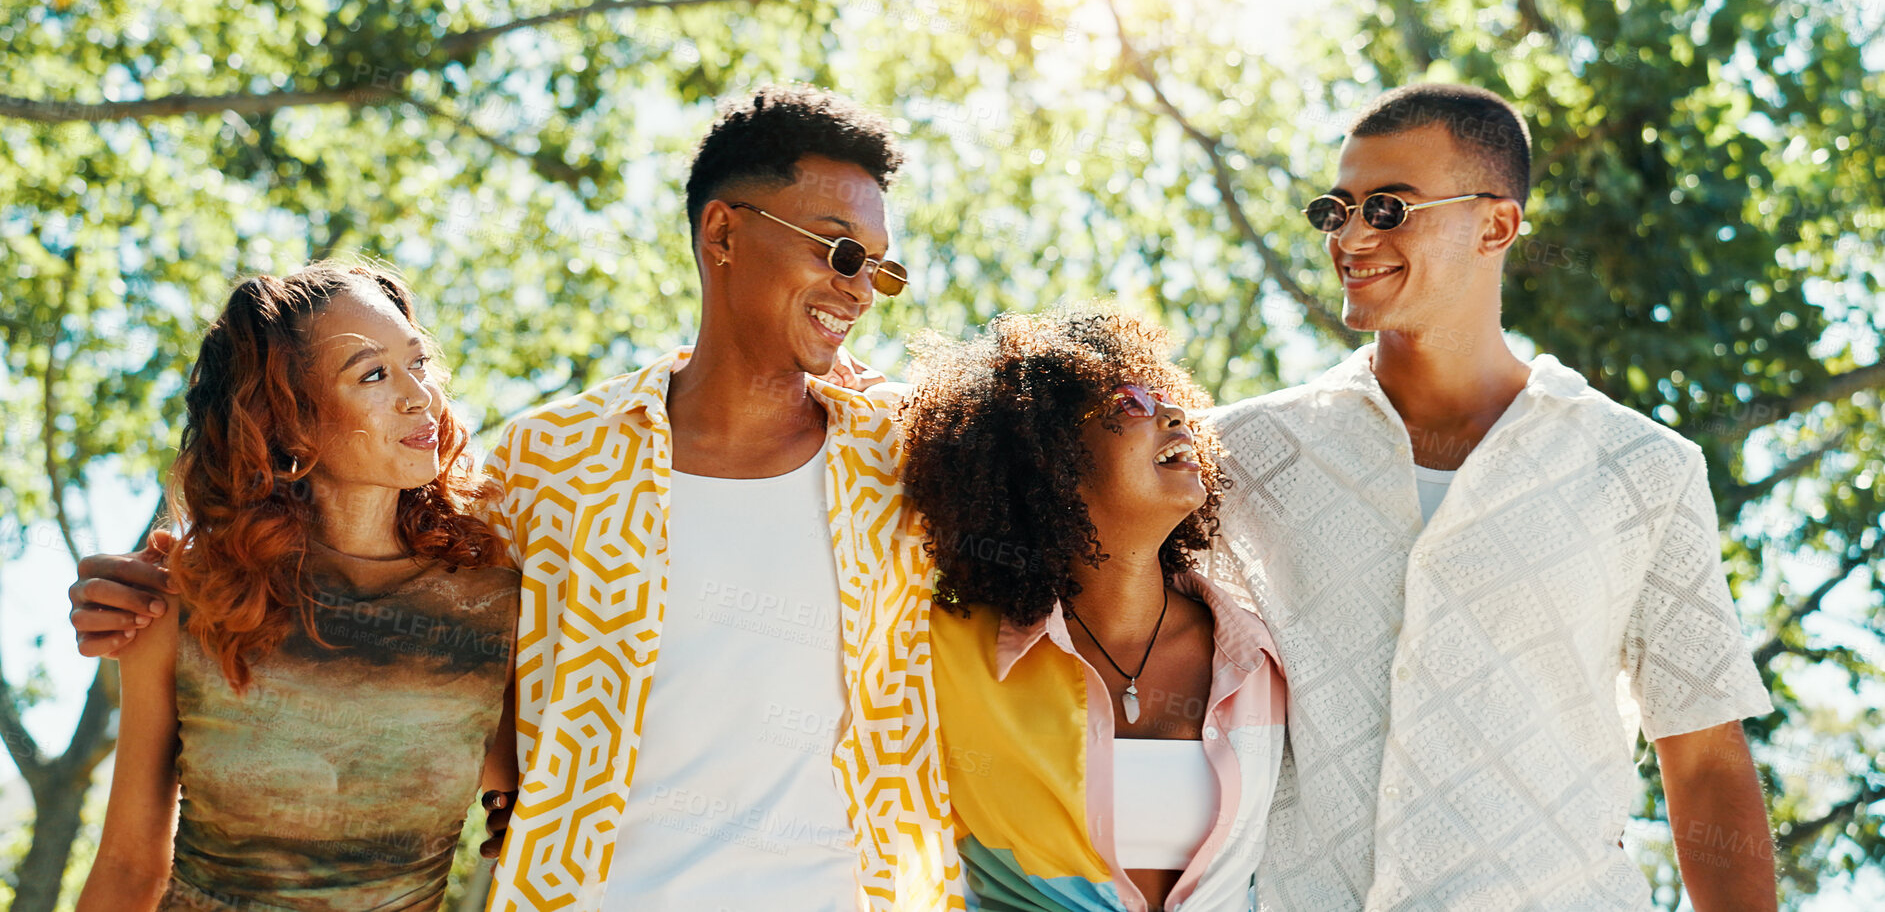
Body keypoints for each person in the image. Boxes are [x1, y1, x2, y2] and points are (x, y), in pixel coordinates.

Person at [71, 85, 960, 912]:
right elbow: (379, 565)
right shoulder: (549, 464)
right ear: (722, 233)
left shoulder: (920, 455)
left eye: (879, 269)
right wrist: (148, 587)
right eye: (840, 249)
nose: (857, 285)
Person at [1204, 83, 1776, 909]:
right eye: (1338, 209)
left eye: (1390, 208)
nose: (1352, 237)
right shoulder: (1238, 458)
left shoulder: (1642, 469)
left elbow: (1704, 758)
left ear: (1495, 226)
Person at [75, 263, 520, 911]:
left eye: (417, 363)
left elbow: (549, 802)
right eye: (372, 374)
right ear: (290, 422)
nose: (419, 396)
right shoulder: (189, 602)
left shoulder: (491, 610)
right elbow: (128, 864)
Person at [899, 307, 1287, 912]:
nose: (1173, 412)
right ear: (1047, 458)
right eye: (1130, 402)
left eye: (1165, 395)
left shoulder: (1262, 658)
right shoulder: (945, 653)